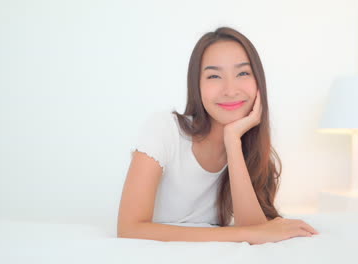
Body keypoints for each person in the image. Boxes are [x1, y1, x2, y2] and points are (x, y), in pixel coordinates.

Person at [117, 26, 319, 245]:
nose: (230, 90)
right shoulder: (165, 129)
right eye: (214, 76)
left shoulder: (254, 154)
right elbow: (129, 228)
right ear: (197, 87)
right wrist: (247, 235)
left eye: (242, 73)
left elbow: (256, 231)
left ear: (258, 83)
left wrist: (232, 141)